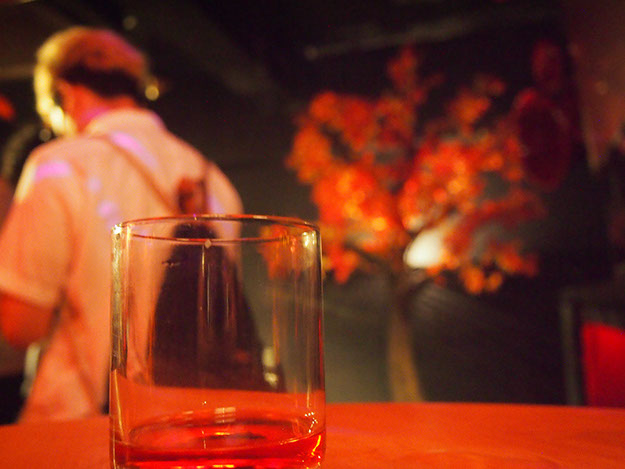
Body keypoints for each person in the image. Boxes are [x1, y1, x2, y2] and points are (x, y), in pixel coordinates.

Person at [0, 27, 243, 422]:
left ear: (67, 93)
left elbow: (20, 326)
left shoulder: (59, 166)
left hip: (80, 424)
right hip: (194, 423)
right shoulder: (213, 180)